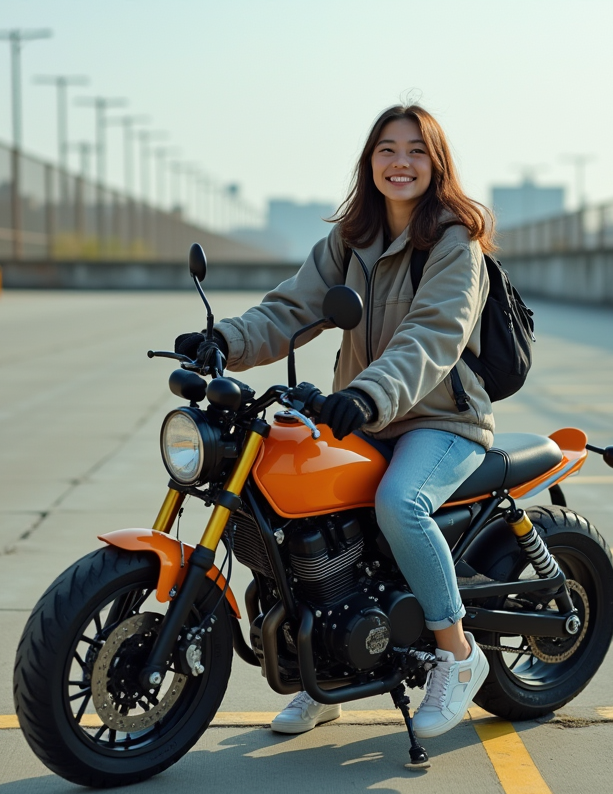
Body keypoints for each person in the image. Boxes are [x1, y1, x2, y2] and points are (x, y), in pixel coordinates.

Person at [174, 104, 496, 739]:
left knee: (401, 505)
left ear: (437, 163)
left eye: (415, 151)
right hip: (365, 413)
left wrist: (368, 393)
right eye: (387, 149)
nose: (400, 163)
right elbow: (292, 309)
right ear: (369, 161)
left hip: (437, 418)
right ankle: (319, 675)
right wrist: (225, 341)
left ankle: (457, 654)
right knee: (282, 503)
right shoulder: (350, 240)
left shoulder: (455, 241)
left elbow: (433, 335)